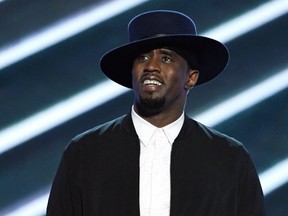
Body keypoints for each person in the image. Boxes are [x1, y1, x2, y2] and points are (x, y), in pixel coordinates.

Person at [47, 10, 265, 216]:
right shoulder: (85, 153)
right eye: (142, 57)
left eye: (166, 58)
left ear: (191, 77)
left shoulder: (229, 158)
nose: (151, 66)